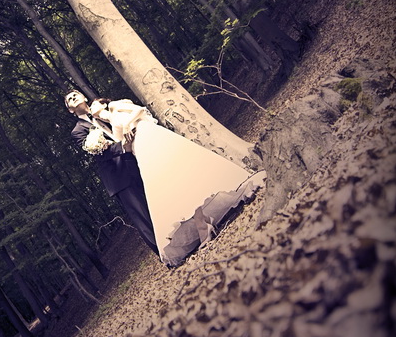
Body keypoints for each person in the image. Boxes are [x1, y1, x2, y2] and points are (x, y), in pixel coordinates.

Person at [87, 96, 265, 268]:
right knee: (172, 185)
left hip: (150, 137)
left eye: (94, 104)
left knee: (182, 173)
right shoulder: (111, 128)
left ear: (103, 103)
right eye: (91, 108)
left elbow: (139, 110)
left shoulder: (115, 106)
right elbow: (123, 144)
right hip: (141, 150)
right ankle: (202, 224)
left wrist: (127, 126)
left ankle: (208, 218)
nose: (92, 107)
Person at [64, 90, 158, 254]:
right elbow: (97, 154)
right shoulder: (77, 131)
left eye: (75, 95)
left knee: (156, 201)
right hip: (118, 175)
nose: (73, 98)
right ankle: (164, 254)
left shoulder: (102, 111)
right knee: (142, 215)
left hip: (138, 157)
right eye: (69, 100)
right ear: (71, 110)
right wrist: (123, 147)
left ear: (84, 97)